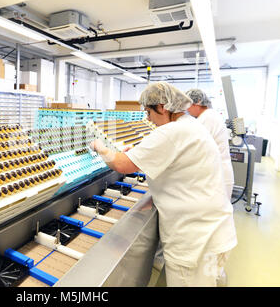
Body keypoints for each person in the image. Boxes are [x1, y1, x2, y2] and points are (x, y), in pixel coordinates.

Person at [90, 82, 237, 287]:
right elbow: (168, 155)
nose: (147, 119)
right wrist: (139, 151)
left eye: (148, 112)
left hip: (195, 239)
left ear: (162, 107)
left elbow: (123, 165)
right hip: (213, 230)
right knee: (210, 280)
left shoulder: (172, 132)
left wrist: (101, 148)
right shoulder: (190, 125)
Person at [186, 89, 234, 200]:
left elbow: (195, 147)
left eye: (189, 105)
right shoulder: (209, 115)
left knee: (217, 213)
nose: (187, 109)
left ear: (198, 102)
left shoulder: (207, 118)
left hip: (218, 176)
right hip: (217, 173)